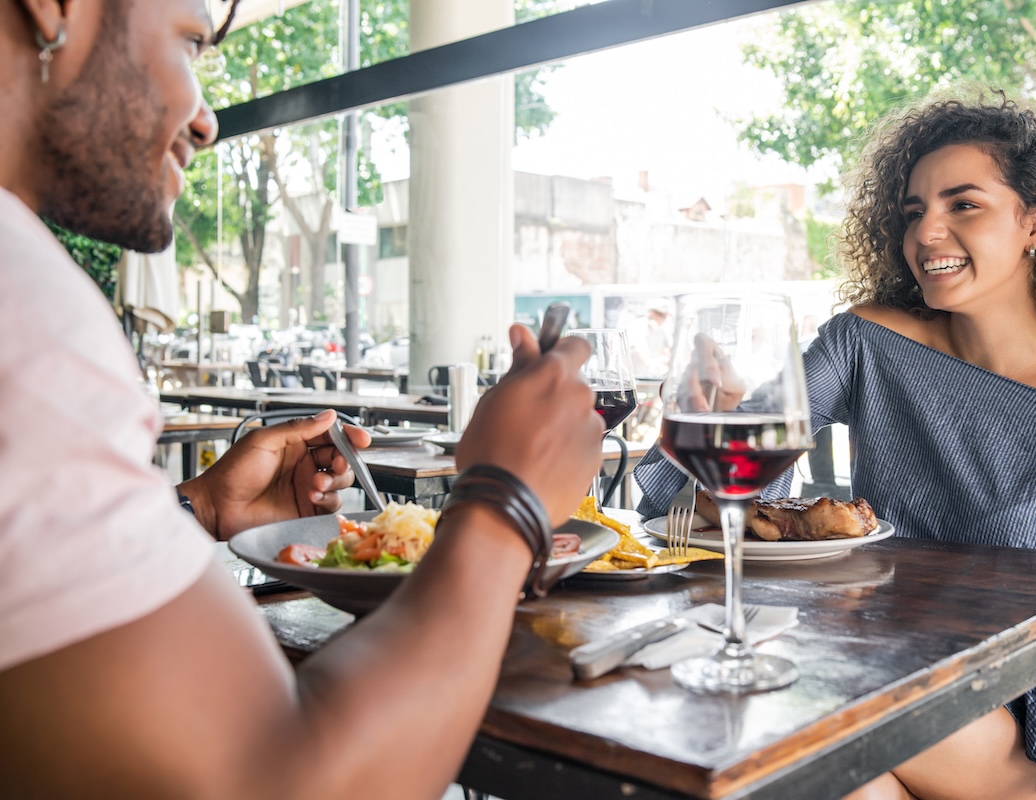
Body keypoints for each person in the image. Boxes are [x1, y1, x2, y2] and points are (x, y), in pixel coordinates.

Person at [0, 1, 603, 797]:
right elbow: (281, 782)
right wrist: (504, 503)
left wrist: (199, 510)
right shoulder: (22, 301)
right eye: (189, 41)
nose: (206, 120)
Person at [635, 91, 1036, 800]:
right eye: (915, 211)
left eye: (964, 205)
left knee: (794, 721)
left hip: (1028, 729)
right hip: (870, 679)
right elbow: (692, 505)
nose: (928, 233)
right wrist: (719, 424)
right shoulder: (864, 342)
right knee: (831, 772)